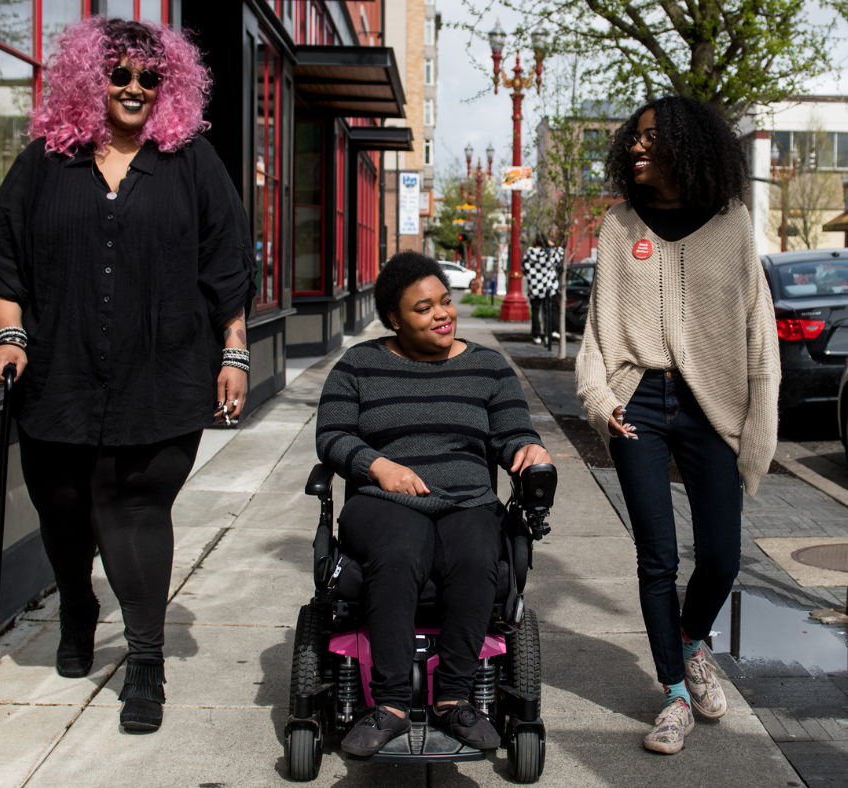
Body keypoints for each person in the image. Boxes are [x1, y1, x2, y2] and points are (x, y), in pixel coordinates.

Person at [0, 18, 256, 732]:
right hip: (58, 376)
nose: (133, 88)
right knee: (63, 513)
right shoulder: (46, 161)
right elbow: (0, 256)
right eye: (118, 74)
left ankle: (146, 663)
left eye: (148, 77)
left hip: (161, 376)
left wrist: (235, 350)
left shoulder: (189, 160)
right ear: (88, 80)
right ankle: (77, 603)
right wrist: (10, 333)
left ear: (169, 87)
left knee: (136, 510)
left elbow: (227, 264)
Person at [575, 96, 780, 754]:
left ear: (687, 146)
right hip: (638, 403)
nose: (636, 148)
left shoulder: (731, 223)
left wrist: (758, 433)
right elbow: (595, 340)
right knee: (657, 558)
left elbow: (760, 338)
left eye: (652, 139)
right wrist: (601, 402)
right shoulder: (617, 227)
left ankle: (692, 642)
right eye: (633, 139)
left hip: (710, 408)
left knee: (721, 558)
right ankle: (672, 696)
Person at [316, 251, 553, 757]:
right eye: (424, 309)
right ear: (395, 319)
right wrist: (378, 467)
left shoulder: (488, 366)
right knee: (399, 552)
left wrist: (527, 450)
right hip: (382, 500)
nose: (443, 314)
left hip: (466, 499)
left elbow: (513, 433)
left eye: (445, 301)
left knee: (474, 554)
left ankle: (454, 698)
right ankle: (392, 704)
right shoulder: (359, 364)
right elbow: (332, 435)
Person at [521, 238, 560, 344]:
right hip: (548, 287)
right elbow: (560, 255)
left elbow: (524, 270)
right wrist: (552, 245)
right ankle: (549, 333)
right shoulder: (548, 254)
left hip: (534, 288)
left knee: (535, 312)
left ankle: (536, 335)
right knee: (548, 311)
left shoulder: (527, 255)